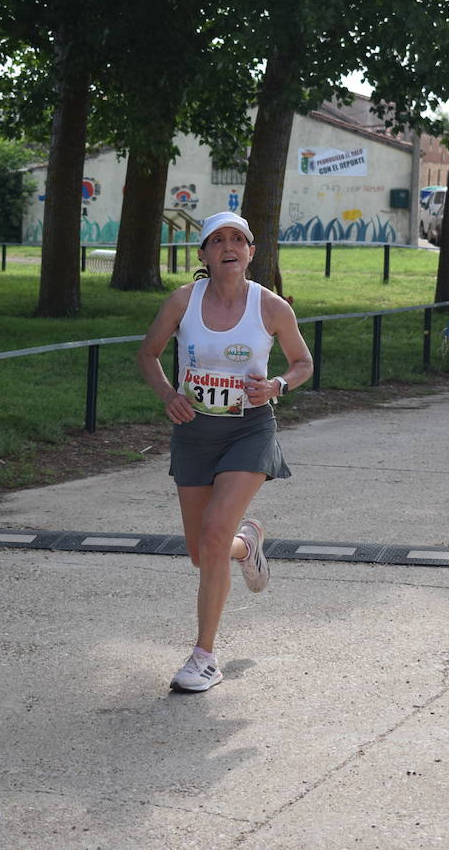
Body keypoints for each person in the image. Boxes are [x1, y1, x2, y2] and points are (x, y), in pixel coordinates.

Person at [137, 211, 313, 692]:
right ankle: (247, 544)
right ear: (204, 254)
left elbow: (303, 363)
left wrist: (276, 385)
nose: (228, 247)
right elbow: (148, 353)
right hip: (194, 431)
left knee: (214, 533)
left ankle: (204, 658)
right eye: (217, 240)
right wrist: (169, 395)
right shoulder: (183, 301)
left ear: (251, 252)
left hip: (248, 430)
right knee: (203, 553)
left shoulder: (271, 307)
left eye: (238, 239)